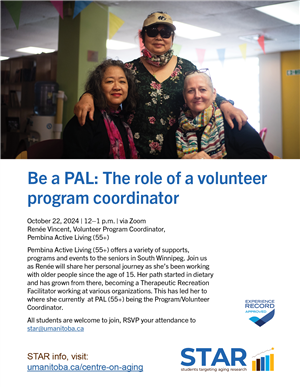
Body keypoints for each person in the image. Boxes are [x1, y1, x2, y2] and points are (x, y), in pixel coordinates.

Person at [74, 11, 248, 159]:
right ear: (143, 36)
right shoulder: (129, 69)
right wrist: (87, 96)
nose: (159, 37)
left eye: (165, 33)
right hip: (135, 154)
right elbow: (106, 88)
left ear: (172, 38)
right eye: (152, 32)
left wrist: (225, 105)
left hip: (178, 152)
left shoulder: (186, 68)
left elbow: (203, 92)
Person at [162, 70, 270, 159]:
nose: (197, 95)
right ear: (185, 98)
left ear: (214, 94)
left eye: (202, 89)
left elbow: (262, 157)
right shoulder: (176, 131)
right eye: (191, 91)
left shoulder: (231, 121)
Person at [63, 59, 138, 159]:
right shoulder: (87, 118)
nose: (117, 87)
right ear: (98, 87)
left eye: (122, 81)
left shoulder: (122, 119)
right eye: (110, 81)